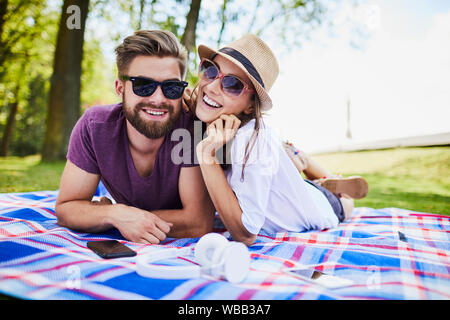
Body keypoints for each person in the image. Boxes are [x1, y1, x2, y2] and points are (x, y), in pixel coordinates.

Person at [191, 34, 368, 246]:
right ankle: (303, 165)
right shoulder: (216, 121)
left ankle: (326, 183)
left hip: (321, 205)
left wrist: (206, 155)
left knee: (345, 204)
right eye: (210, 70)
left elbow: (246, 234)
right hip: (287, 189)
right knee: (287, 164)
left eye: (232, 84)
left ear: (250, 106)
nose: (211, 87)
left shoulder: (253, 138)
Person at [55, 30, 215, 244]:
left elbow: (197, 222)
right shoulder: (95, 127)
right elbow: (66, 208)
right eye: (143, 86)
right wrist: (115, 215)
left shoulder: (191, 127)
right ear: (120, 88)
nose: (158, 99)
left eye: (172, 87)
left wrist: (118, 216)